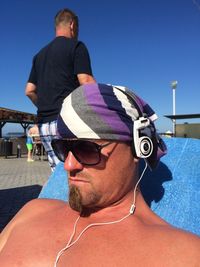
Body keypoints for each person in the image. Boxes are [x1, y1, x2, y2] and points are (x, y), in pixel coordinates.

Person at [0, 83, 199, 266]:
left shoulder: (183, 254)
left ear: (139, 148)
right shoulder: (32, 211)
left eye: (86, 149)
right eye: (63, 148)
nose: (68, 165)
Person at [25, 8, 96, 171]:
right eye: (77, 28)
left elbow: (29, 90)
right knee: (80, 173)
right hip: (66, 121)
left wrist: (44, 105)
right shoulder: (76, 46)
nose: (77, 32)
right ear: (72, 24)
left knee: (58, 174)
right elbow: (86, 81)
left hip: (44, 125)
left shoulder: (39, 56)